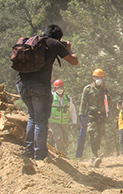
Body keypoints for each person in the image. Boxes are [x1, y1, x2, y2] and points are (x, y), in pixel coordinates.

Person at [16, 24, 78, 160]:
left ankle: (29, 152)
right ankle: (40, 155)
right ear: (58, 37)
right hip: (39, 87)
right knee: (41, 121)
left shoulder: (33, 42)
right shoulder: (54, 44)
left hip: (22, 85)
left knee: (32, 117)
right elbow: (74, 61)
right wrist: (68, 48)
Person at [78, 68, 109, 165]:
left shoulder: (104, 89)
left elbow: (108, 102)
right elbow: (83, 103)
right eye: (97, 77)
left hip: (101, 115)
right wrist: (81, 115)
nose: (99, 79)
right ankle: (94, 155)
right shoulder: (88, 89)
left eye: (101, 77)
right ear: (93, 77)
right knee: (92, 132)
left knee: (100, 134)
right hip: (92, 114)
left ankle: (96, 151)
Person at [48, 79, 77, 154]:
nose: (60, 90)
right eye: (58, 88)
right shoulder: (50, 98)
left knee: (65, 140)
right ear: (55, 89)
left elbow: (72, 111)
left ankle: (55, 150)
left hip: (64, 123)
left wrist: (74, 122)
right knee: (59, 138)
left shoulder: (67, 99)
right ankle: (59, 155)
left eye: (61, 87)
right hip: (53, 122)